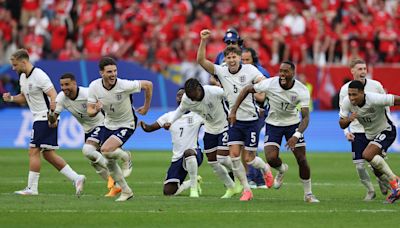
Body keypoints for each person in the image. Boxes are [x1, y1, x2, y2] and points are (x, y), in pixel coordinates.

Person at [198, 29, 273, 201]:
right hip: (234, 120)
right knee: (233, 156)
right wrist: (203, 41)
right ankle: (247, 189)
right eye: (229, 57)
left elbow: (264, 85)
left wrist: (261, 94)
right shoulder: (222, 71)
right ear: (225, 59)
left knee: (249, 158)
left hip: (252, 120)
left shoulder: (250, 70)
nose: (232, 60)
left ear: (240, 58)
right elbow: (201, 61)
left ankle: (266, 169)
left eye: (234, 57)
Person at [228, 61, 320, 203]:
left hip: (292, 125)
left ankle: (308, 194)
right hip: (273, 124)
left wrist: (296, 135)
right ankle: (282, 169)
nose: (282, 74)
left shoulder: (301, 90)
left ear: (293, 73)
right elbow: (247, 89)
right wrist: (234, 110)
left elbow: (306, 117)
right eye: (281, 71)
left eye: (286, 72)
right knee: (271, 158)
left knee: (302, 159)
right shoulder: (270, 83)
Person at [2, 49, 85, 196]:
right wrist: (11, 99)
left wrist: (52, 116)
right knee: (48, 154)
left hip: (44, 117)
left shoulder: (39, 75)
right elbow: (24, 97)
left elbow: (53, 94)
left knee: (33, 151)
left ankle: (32, 188)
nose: (13, 68)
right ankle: (76, 178)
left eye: (15, 65)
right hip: (38, 117)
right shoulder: (23, 78)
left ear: (24, 62)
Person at [87, 56, 153, 201]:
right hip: (108, 124)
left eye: (115, 71)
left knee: (105, 150)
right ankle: (126, 191)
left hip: (127, 123)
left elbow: (148, 85)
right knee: (109, 161)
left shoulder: (123, 85)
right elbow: (90, 111)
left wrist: (146, 107)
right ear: (101, 73)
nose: (113, 74)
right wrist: (96, 110)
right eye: (109, 72)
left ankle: (126, 156)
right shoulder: (94, 87)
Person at [165, 78, 243, 199]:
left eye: (193, 95)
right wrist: (171, 121)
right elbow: (181, 110)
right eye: (189, 96)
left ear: (199, 88)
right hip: (209, 129)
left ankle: (239, 176)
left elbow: (232, 96)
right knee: (213, 162)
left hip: (224, 125)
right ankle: (231, 187)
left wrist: (235, 112)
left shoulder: (213, 91)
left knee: (221, 158)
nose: (192, 99)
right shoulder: (187, 98)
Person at [49, 73, 121, 197]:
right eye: (61, 85)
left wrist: (101, 110)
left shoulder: (87, 93)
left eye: (67, 84)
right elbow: (52, 122)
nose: (64, 87)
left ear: (74, 83)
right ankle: (116, 187)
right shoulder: (61, 98)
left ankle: (112, 174)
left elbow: (106, 104)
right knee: (94, 161)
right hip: (87, 130)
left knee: (87, 150)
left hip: (102, 124)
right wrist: (51, 112)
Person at [339, 80, 400, 204]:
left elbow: (396, 99)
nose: (351, 98)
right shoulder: (347, 102)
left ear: (362, 93)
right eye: (350, 94)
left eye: (354, 94)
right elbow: (341, 123)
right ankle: (394, 186)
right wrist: (349, 120)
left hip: (386, 131)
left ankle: (396, 183)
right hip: (370, 136)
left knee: (367, 155)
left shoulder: (375, 99)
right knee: (376, 168)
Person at [140, 88, 203, 197]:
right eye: (178, 95)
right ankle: (193, 182)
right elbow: (150, 128)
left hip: (195, 153)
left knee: (188, 152)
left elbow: (212, 122)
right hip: (177, 158)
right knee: (168, 192)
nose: (180, 97)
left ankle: (194, 190)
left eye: (182, 95)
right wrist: (143, 125)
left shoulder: (197, 115)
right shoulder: (169, 116)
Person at [241, 47, 271, 189]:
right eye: (243, 60)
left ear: (254, 60)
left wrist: (245, 92)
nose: (245, 62)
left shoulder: (261, 73)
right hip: (244, 112)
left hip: (258, 112)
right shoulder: (240, 72)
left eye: (248, 60)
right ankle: (255, 178)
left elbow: (262, 95)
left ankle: (255, 178)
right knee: (245, 145)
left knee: (249, 145)